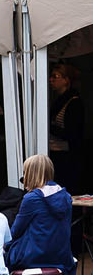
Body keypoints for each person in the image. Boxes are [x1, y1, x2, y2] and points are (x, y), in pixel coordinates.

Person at [7, 154, 76, 275]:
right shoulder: (66, 196)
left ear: (31, 174)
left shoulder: (32, 198)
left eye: (25, 172)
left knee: (5, 252)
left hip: (35, 255)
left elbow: (15, 231)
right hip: (61, 255)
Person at [48, 63, 84, 194]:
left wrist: (48, 127)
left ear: (66, 80)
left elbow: (71, 133)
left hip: (66, 158)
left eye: (55, 76)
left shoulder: (73, 102)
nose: (50, 80)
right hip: (56, 154)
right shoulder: (58, 101)